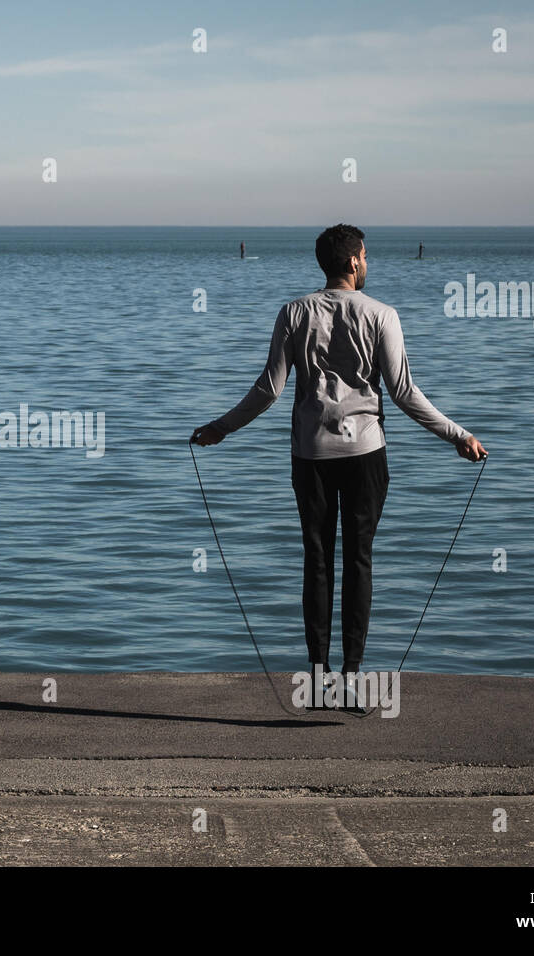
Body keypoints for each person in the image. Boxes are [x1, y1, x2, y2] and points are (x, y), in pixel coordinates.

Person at [191, 224, 485, 682]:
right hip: (366, 452)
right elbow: (404, 393)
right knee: (359, 558)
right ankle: (352, 673)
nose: (367, 263)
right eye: (365, 256)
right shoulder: (382, 314)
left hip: (311, 455)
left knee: (318, 559)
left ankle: (317, 672)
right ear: (353, 261)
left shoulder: (293, 312)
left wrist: (220, 428)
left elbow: (269, 390)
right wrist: (457, 435)